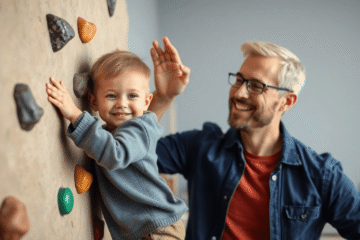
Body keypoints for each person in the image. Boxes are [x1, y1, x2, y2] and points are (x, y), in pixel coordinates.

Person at [149, 38, 360, 239]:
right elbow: (128, 157)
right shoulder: (199, 147)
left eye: (256, 85)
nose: (239, 93)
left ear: (287, 101)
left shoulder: (322, 175)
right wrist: (162, 98)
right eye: (239, 80)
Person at [45, 49, 189, 240]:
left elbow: (115, 154)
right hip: (143, 230)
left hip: (159, 226)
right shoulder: (106, 134)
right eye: (112, 95)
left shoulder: (141, 129)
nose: (122, 103)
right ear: (94, 101)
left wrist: (74, 114)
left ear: (147, 102)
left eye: (132, 96)